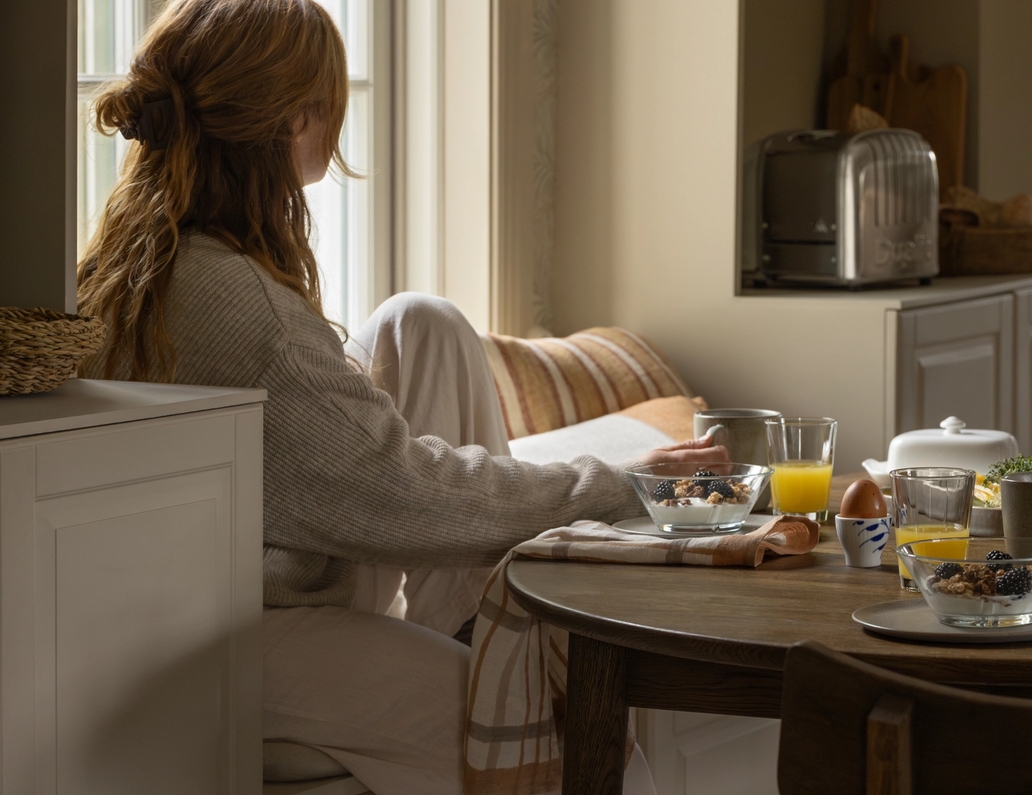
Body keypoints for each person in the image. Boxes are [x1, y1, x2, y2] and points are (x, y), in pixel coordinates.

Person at [76, 1, 726, 792]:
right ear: (293, 120)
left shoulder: (145, 261)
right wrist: (623, 483)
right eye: (328, 105)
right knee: (585, 741)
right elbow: (402, 487)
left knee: (421, 323)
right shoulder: (242, 308)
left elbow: (331, 428)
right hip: (232, 636)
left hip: (189, 606)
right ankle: (484, 636)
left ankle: (467, 616)